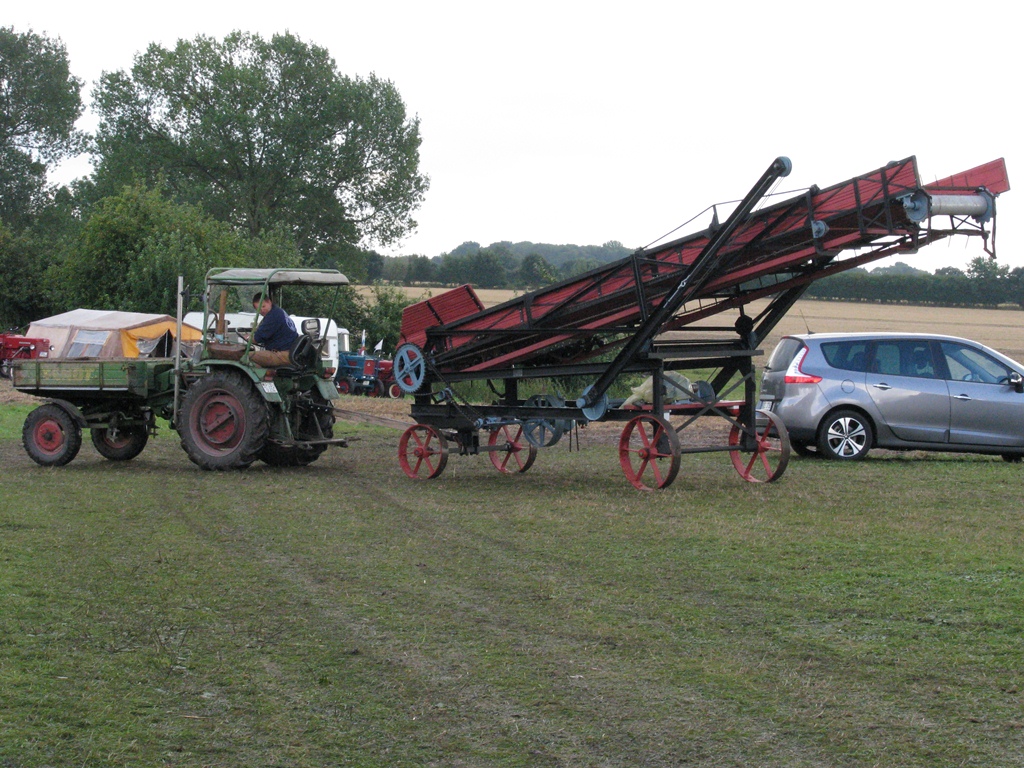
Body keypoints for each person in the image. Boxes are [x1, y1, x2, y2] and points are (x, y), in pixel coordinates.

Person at [249, 292, 299, 367]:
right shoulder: (278, 311)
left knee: (245, 356)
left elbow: (257, 339)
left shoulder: (272, 316)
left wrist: (248, 338)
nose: (262, 310)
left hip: (283, 355)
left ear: (269, 302)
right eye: (258, 309)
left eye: (263, 306)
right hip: (291, 352)